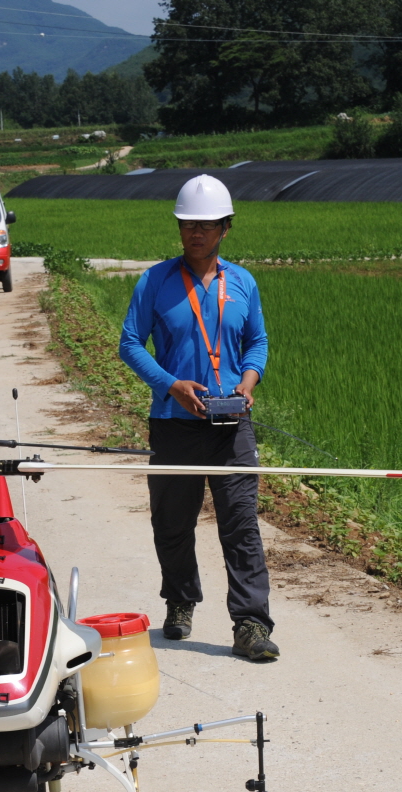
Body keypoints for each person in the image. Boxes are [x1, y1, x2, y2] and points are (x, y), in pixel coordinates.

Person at [117, 175, 278, 661]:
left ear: (226, 228)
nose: (196, 233)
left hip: (231, 426)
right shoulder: (155, 281)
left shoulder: (242, 282)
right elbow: (130, 343)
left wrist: (248, 381)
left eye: (207, 225)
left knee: (241, 524)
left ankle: (251, 624)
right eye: (188, 225)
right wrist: (171, 385)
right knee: (172, 522)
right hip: (173, 423)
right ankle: (180, 600)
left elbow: (257, 342)